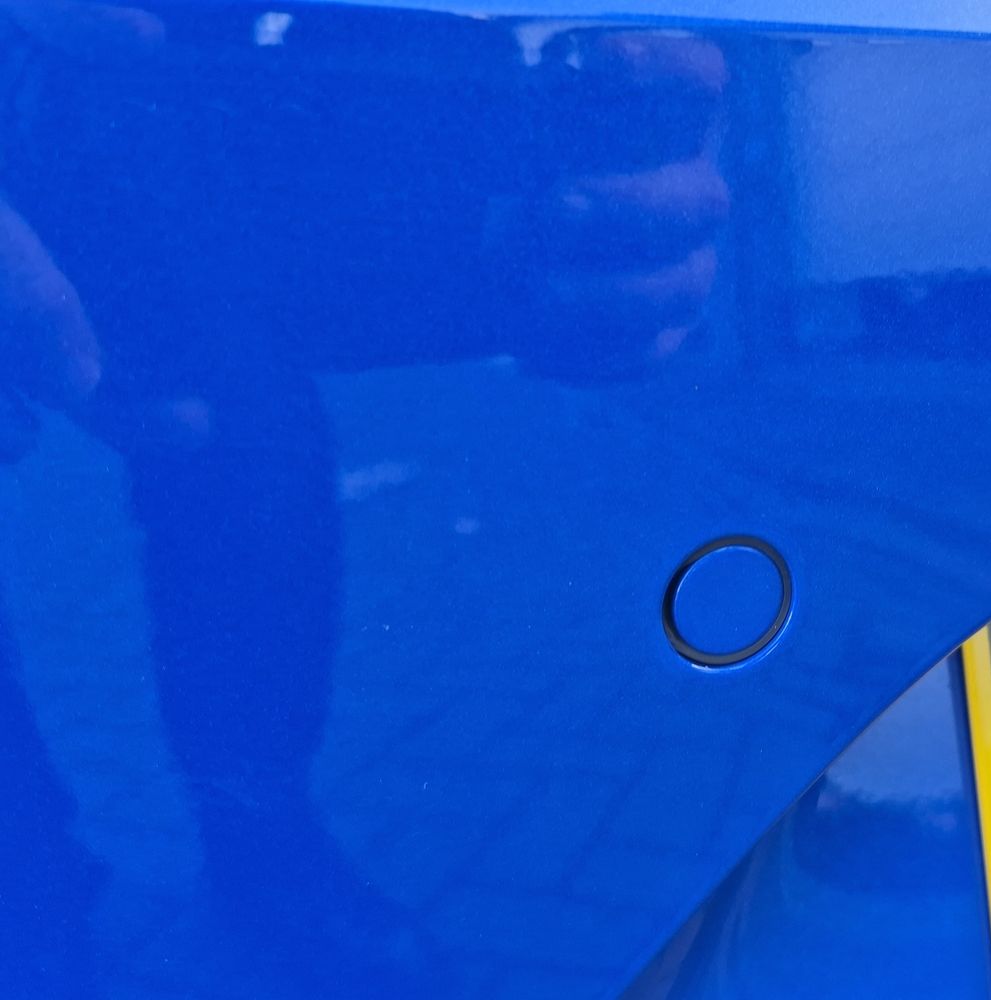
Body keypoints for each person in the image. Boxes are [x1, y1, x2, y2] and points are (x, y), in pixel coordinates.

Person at [0, 4, 728, 995]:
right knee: (236, 453)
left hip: (203, 124)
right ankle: (41, 864)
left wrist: (600, 96)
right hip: (86, 88)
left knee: (250, 463)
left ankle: (253, 838)